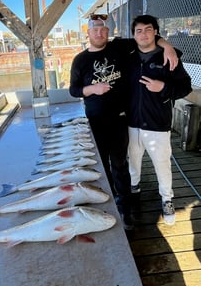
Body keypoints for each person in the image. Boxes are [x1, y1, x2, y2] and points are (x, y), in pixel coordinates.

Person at [69, 14, 178, 230]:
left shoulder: (119, 47)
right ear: (88, 33)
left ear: (108, 33)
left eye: (103, 29)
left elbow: (148, 38)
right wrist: (93, 89)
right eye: (95, 30)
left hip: (120, 120)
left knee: (120, 164)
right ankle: (104, 201)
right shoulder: (80, 60)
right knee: (99, 167)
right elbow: (73, 90)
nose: (99, 33)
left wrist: (169, 47)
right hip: (95, 122)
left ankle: (125, 208)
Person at [127, 14, 192, 225]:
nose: (143, 34)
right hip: (131, 122)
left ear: (156, 32)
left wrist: (163, 87)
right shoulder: (128, 55)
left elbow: (185, 87)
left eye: (148, 29)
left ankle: (167, 198)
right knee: (133, 160)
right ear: (133, 35)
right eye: (138, 31)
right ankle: (134, 189)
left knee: (162, 164)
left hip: (157, 123)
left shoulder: (169, 58)